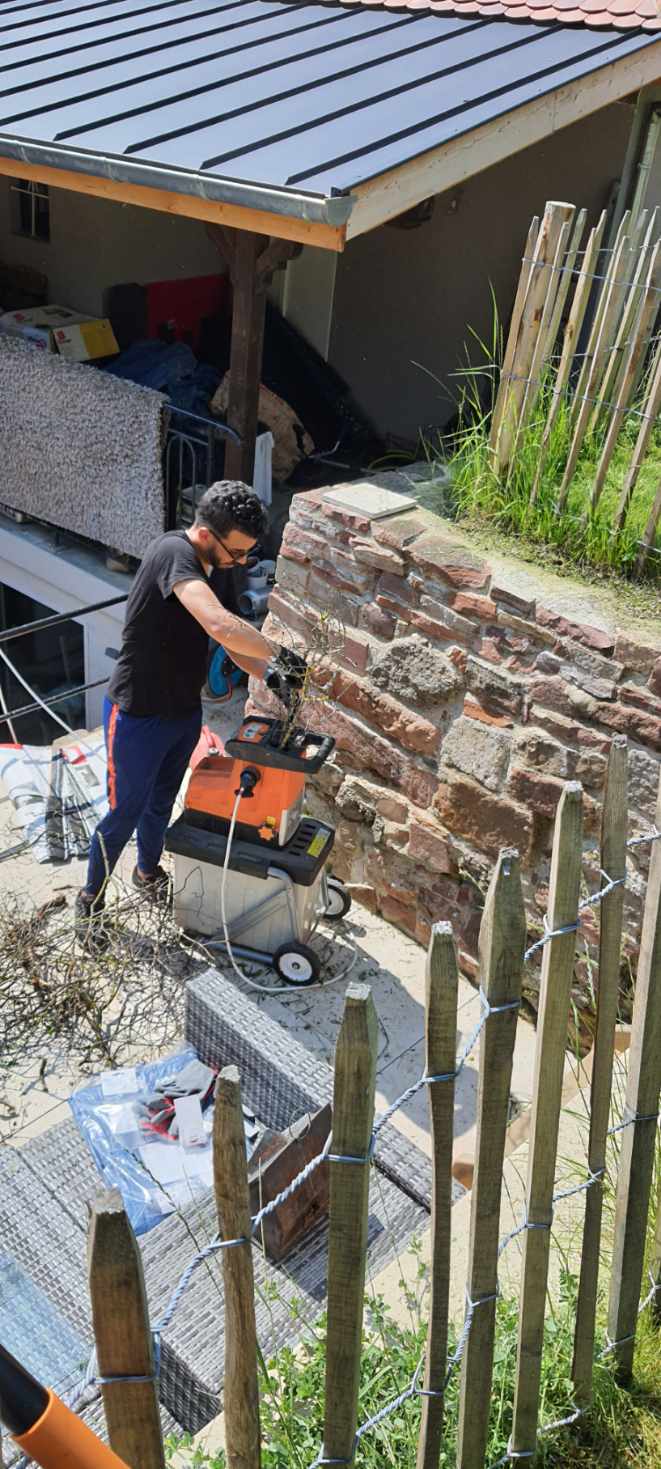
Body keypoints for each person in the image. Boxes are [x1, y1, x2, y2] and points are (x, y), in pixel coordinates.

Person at [75, 480, 276, 948]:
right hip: (136, 714)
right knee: (123, 813)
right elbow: (218, 621)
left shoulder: (217, 564)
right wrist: (277, 653)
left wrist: (268, 670)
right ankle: (90, 903)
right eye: (239, 551)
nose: (242, 562)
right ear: (207, 534)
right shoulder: (173, 554)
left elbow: (230, 639)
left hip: (183, 712)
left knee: (163, 800)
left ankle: (147, 873)